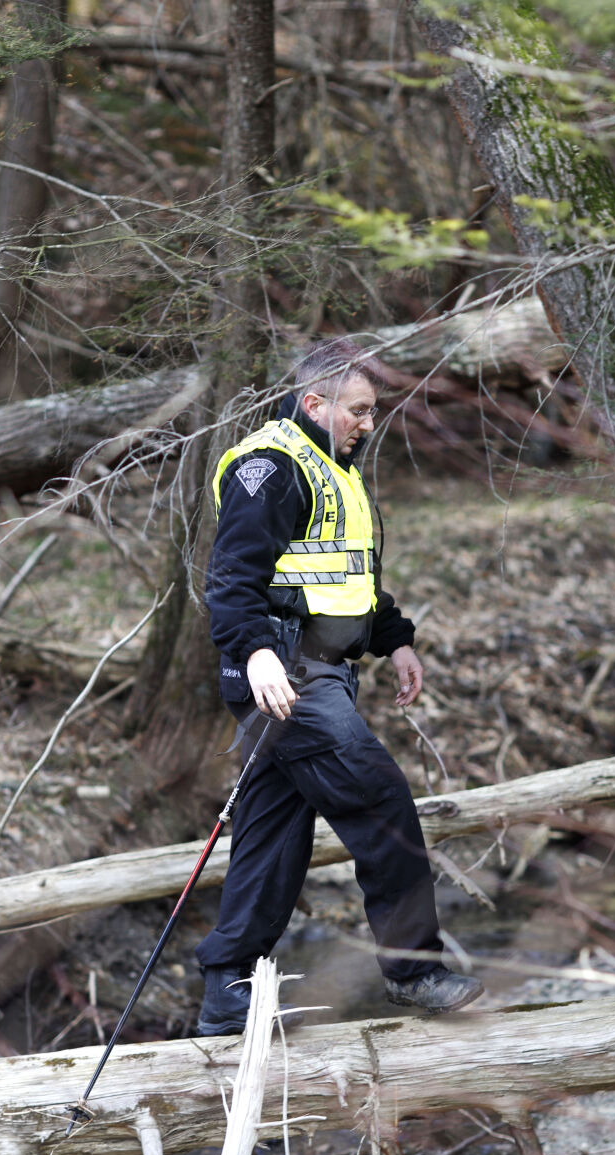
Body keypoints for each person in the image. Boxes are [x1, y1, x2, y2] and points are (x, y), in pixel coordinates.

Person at [194, 338, 484, 1035]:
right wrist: (257, 655)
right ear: (313, 402)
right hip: (286, 679)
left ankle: (226, 994)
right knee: (381, 801)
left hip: (319, 673)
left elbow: (341, 577)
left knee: (272, 834)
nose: (366, 423)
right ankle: (413, 971)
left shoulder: (332, 469)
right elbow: (229, 580)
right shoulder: (272, 467)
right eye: (356, 410)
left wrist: (394, 637)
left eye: (372, 411)